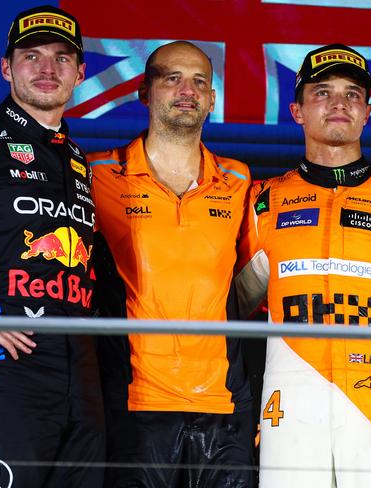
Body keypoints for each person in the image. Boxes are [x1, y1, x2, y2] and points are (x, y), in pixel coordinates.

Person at [234, 43, 371, 488]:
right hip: (289, 403)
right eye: (322, 92)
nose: (338, 103)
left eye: (352, 94)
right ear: (297, 111)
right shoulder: (262, 202)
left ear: (368, 112)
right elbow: (223, 303)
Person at [0, 4, 104, 488]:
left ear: (80, 72)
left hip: (83, 377)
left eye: (60, 58)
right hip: (6, 369)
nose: (47, 69)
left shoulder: (78, 160)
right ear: (5, 67)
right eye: (31, 56)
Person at [88, 41, 255, 488]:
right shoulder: (97, 173)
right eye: (172, 78)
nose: (188, 90)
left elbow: (254, 283)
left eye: (200, 80)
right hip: (136, 404)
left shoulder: (239, 181)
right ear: (145, 92)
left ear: (213, 98)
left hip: (223, 406)